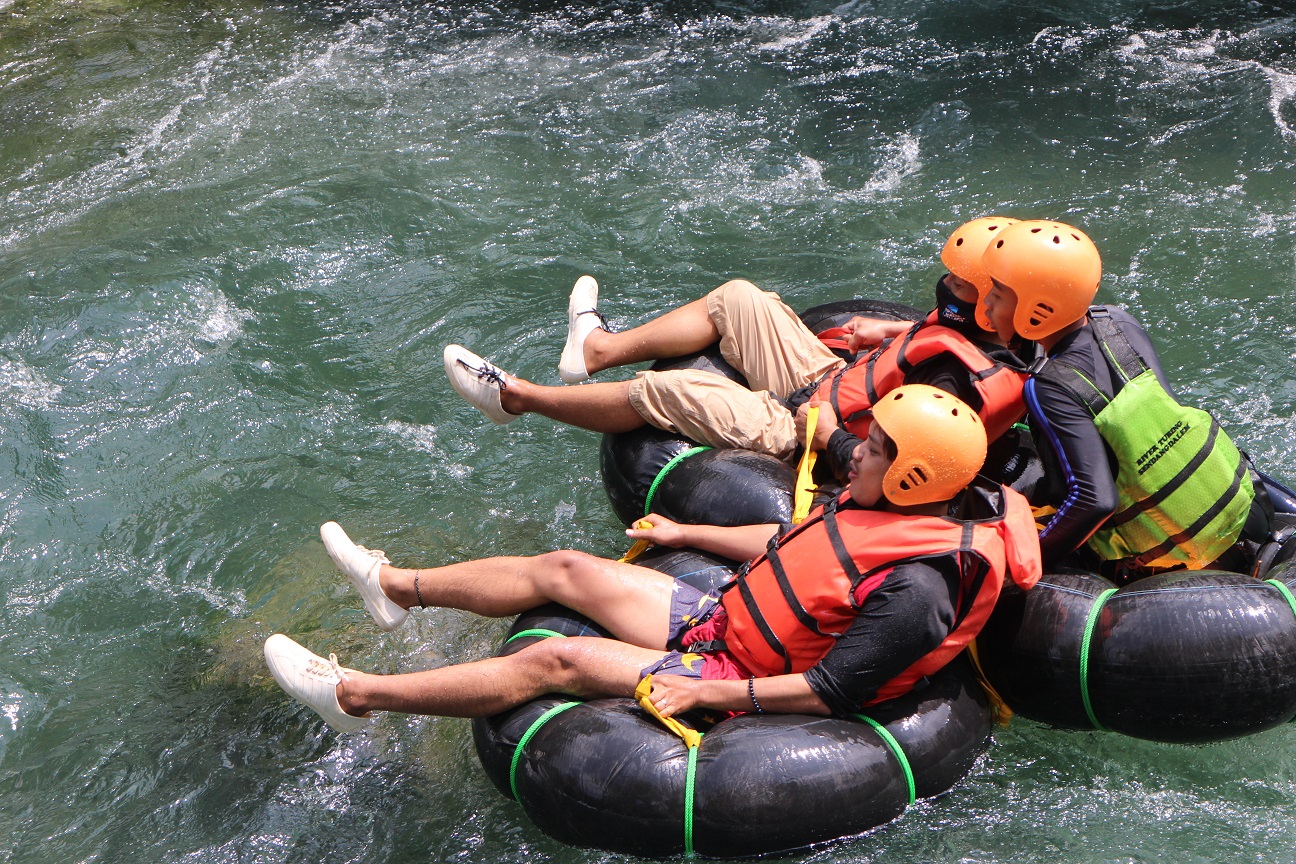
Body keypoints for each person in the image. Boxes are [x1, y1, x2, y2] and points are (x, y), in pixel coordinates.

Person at [263, 385, 1042, 730]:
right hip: (723, 622)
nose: (856, 453)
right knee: (565, 566)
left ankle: (355, 694)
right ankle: (393, 585)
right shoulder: (890, 504)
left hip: (739, 680)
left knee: (560, 660)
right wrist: (685, 535)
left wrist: (705, 697)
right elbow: (794, 549)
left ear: (910, 476)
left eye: (872, 450)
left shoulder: (921, 586)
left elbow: (831, 691)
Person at [443, 218, 1033, 484]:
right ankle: (594, 349)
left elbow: (897, 467)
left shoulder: (961, 381)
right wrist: (888, 334)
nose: (946, 290)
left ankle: (515, 399)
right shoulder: (981, 326)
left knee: (669, 391)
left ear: (997, 302)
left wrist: (830, 438)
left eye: (960, 286)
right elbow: (929, 341)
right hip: (831, 381)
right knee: (739, 297)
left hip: (811, 435)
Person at [980, 219, 1272, 578]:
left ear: (1038, 309)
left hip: (1176, 556)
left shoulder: (1049, 386)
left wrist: (1026, 561)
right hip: (1244, 513)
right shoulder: (1116, 320)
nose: (987, 301)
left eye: (997, 291)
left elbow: (1094, 501)